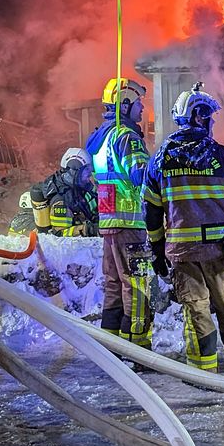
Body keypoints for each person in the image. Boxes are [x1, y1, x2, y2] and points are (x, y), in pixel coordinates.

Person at [142, 82, 224, 379]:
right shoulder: (223, 157)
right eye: (209, 118)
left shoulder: (160, 160)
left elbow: (152, 213)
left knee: (197, 314)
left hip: (183, 255)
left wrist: (157, 252)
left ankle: (203, 376)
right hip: (221, 252)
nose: (210, 124)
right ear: (200, 117)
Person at [85, 78, 154, 349]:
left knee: (114, 284)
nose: (142, 110)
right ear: (124, 104)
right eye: (138, 104)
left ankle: (113, 345)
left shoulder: (101, 137)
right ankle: (138, 349)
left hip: (110, 223)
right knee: (136, 286)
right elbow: (141, 176)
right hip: (131, 224)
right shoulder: (127, 136)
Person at [30, 148, 99, 237]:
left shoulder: (80, 189)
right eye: (86, 170)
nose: (89, 174)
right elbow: (59, 234)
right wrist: (88, 230)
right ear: (74, 171)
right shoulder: (62, 199)